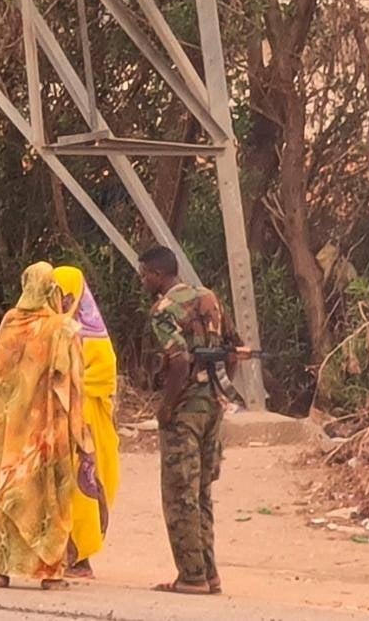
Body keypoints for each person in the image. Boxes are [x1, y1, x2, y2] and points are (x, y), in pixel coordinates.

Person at [0, 262, 91, 590]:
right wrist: (80, 433)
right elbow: (71, 383)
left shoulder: (9, 323)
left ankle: (3, 571)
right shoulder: (61, 329)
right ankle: (50, 573)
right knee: (50, 497)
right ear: (51, 289)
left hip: (13, 429)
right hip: (49, 431)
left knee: (12, 493)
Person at [138, 245, 231, 596]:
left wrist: (167, 406)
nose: (144, 282)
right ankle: (209, 572)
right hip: (213, 405)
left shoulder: (164, 309)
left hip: (186, 410)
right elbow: (232, 352)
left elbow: (178, 361)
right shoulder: (209, 298)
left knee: (180, 493)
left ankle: (191, 576)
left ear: (158, 274)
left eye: (145, 275)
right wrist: (221, 390)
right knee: (202, 491)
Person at [53, 266, 120, 580]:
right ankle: (62, 552)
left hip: (87, 422)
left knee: (83, 487)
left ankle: (80, 558)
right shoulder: (54, 327)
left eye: (65, 293)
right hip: (60, 419)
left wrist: (68, 386)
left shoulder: (93, 335)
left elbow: (104, 376)